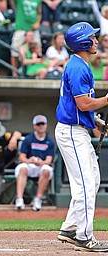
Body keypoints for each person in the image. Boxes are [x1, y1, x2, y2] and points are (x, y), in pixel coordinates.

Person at [55, 21, 108, 252]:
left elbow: (80, 106)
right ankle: (84, 237)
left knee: (92, 180)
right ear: (83, 42)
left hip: (77, 129)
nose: (96, 40)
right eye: (92, 38)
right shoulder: (77, 67)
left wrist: (95, 120)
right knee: (85, 184)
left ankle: (70, 227)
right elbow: (83, 103)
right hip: (71, 132)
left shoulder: (81, 65)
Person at [14, 115, 55, 211]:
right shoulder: (28, 139)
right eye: (38, 124)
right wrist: (30, 160)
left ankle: (38, 198)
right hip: (29, 165)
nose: (40, 126)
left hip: (42, 166)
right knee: (22, 168)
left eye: (42, 124)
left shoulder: (50, 141)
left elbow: (49, 160)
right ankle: (19, 199)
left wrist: (42, 162)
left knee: (46, 170)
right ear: (34, 126)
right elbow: (22, 157)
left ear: (46, 125)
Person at [9, 0, 43, 77]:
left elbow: (40, 13)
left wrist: (38, 22)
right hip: (21, 27)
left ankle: (35, 72)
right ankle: (14, 73)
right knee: (14, 51)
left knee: (38, 50)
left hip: (33, 29)